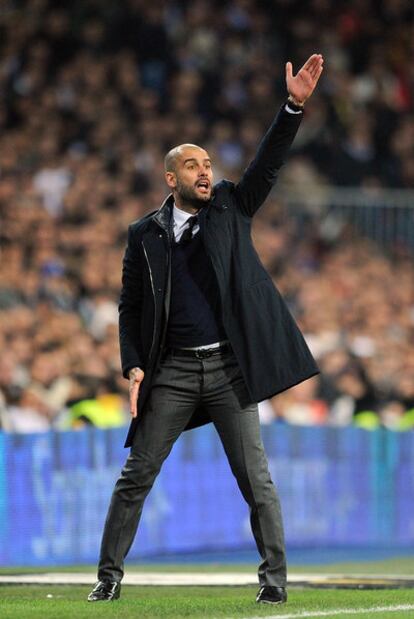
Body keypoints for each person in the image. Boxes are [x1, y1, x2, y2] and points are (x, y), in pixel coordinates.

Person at [88, 54, 323, 606]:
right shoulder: (142, 234)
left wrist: (291, 107)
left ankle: (274, 582)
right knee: (136, 474)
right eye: (193, 165)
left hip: (228, 371)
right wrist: (134, 364)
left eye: (208, 163)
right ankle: (108, 576)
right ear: (171, 178)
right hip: (171, 371)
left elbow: (267, 165)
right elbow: (128, 305)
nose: (204, 170)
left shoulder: (231, 208)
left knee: (256, 480)